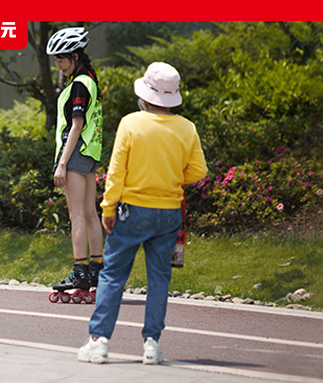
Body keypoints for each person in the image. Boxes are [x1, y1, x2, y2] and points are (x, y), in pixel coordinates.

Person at [78, 62, 207, 365]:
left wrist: (107, 208)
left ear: (145, 95)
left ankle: (98, 342)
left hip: (130, 212)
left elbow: (116, 171)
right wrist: (172, 178)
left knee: (112, 276)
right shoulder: (187, 128)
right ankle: (152, 344)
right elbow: (199, 170)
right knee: (159, 279)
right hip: (169, 213)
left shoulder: (131, 123)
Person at [46, 27, 105, 294]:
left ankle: (80, 272)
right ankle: (96, 270)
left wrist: (61, 163)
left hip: (77, 153)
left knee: (77, 214)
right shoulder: (89, 78)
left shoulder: (79, 84)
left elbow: (76, 126)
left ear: (75, 55)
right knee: (91, 213)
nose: (57, 64)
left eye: (60, 59)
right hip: (90, 153)